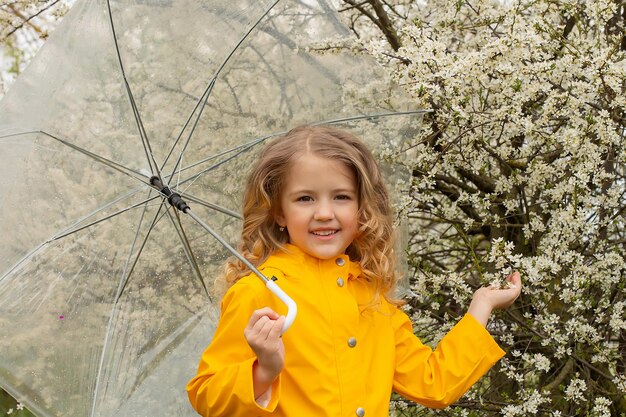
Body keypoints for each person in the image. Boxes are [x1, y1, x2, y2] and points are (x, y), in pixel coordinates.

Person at [186, 125, 522, 417]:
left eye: (342, 197)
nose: (323, 213)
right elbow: (206, 395)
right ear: (278, 213)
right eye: (304, 199)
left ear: (363, 208)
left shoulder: (370, 296)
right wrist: (264, 369)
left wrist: (481, 307)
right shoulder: (260, 292)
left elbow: (431, 383)